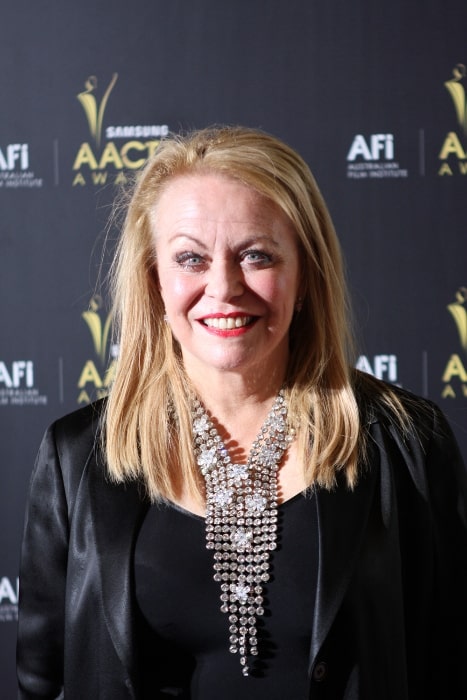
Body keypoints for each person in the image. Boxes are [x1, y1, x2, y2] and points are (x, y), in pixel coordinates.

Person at [17, 126, 467, 700]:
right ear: (154, 282)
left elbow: (451, 665)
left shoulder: (409, 443)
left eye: (256, 254)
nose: (223, 287)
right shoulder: (76, 456)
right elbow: (44, 680)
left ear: (305, 275)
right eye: (190, 258)